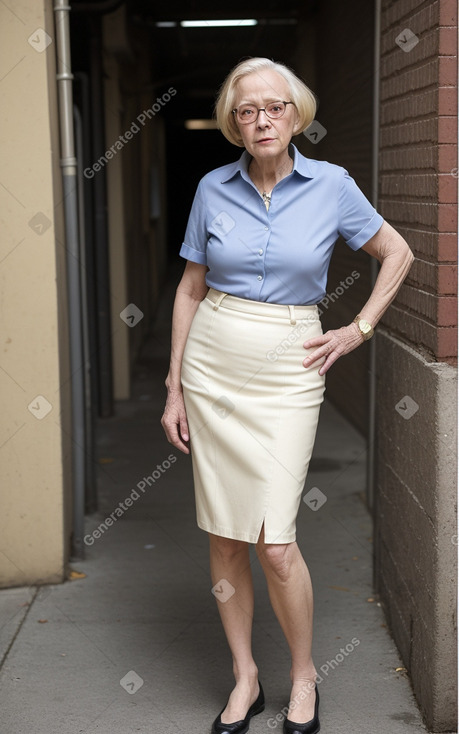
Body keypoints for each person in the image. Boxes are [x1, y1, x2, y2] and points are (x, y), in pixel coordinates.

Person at [161, 57, 414, 734]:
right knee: (222, 536)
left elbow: (396, 252)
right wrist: (173, 386)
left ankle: (304, 675)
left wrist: (358, 329)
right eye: (246, 111)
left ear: (295, 115)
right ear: (233, 125)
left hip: (289, 370)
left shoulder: (331, 186)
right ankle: (244, 674)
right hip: (213, 365)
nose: (261, 120)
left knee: (274, 541)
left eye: (273, 107)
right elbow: (190, 288)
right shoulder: (213, 188)